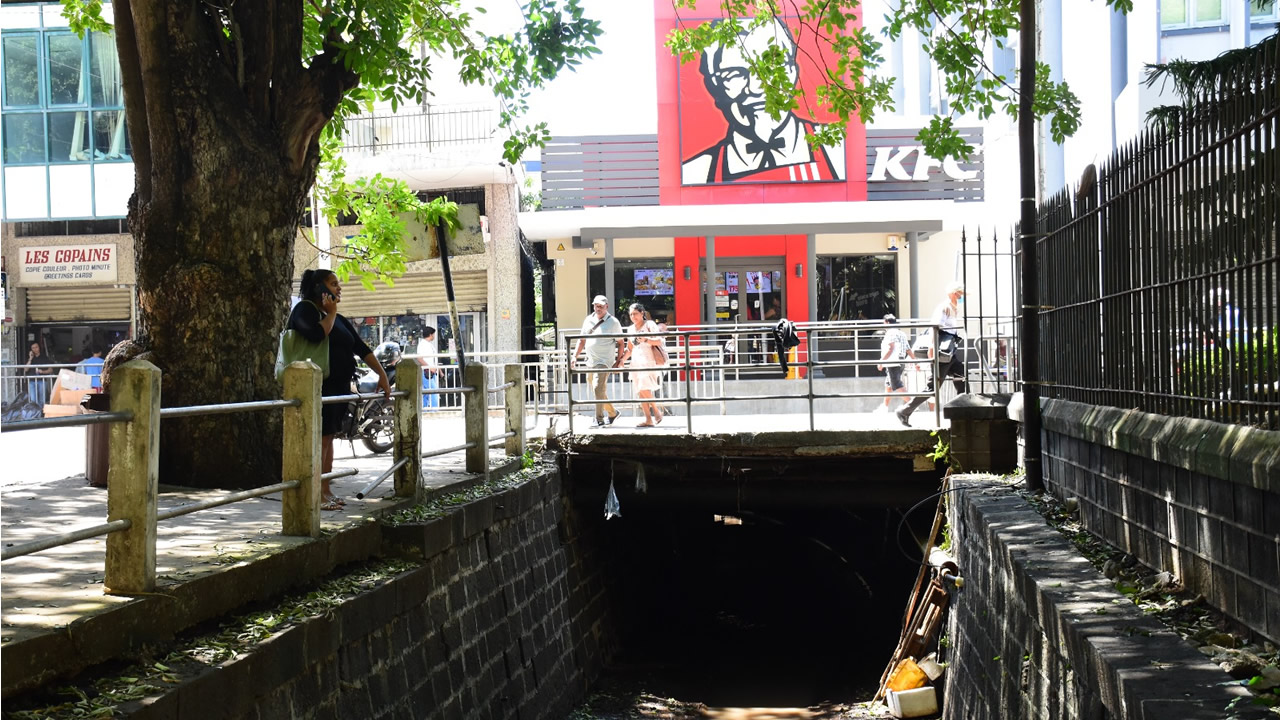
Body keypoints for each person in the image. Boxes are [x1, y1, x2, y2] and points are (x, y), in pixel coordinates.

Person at [681, 17, 846, 185]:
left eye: (768, 69)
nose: (756, 88)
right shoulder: (695, 173)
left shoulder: (837, 149)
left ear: (792, 72)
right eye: (735, 74)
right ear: (714, 86)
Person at [287, 269, 391, 510]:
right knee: (320, 439)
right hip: (318, 387)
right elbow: (315, 334)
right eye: (333, 284)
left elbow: (360, 347)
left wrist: (382, 374)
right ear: (320, 289)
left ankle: (325, 489)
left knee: (329, 437)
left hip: (339, 387)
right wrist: (331, 314)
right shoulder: (305, 310)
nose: (339, 288)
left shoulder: (338, 318)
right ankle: (316, 494)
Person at [897, 282, 966, 427]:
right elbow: (934, 326)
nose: (962, 297)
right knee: (933, 386)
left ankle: (964, 411)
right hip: (942, 352)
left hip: (949, 352)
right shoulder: (944, 307)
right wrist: (931, 348)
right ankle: (905, 411)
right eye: (960, 294)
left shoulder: (953, 308)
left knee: (961, 377)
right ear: (954, 294)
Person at [573, 295, 622, 427]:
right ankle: (613, 413)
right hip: (591, 360)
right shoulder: (588, 319)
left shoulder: (613, 322)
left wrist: (618, 361)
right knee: (598, 390)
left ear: (607, 306)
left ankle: (599, 419)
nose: (598, 308)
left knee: (597, 388)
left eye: (601, 306)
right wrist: (574, 356)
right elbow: (582, 340)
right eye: (596, 305)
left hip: (605, 361)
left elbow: (621, 342)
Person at [618, 302, 665, 427]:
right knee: (640, 390)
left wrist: (646, 339)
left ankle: (656, 411)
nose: (633, 317)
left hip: (648, 360)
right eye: (631, 314)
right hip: (636, 361)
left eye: (636, 314)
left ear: (642, 313)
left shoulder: (649, 325)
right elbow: (630, 348)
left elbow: (659, 341)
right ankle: (648, 418)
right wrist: (622, 360)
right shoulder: (630, 329)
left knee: (644, 387)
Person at [877, 314, 910, 412]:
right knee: (888, 385)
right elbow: (908, 349)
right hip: (901, 361)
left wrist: (881, 361)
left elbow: (891, 348)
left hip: (893, 362)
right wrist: (914, 361)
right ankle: (884, 407)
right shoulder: (901, 333)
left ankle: (912, 405)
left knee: (896, 384)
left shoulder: (890, 333)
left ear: (887, 322)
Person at [415, 326, 440, 411]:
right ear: (430, 334)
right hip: (427, 371)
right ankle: (434, 411)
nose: (434, 336)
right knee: (434, 392)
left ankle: (424, 410)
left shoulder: (428, 345)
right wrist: (430, 367)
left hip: (430, 371)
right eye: (433, 334)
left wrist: (439, 370)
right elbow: (419, 358)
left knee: (426, 393)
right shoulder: (422, 345)